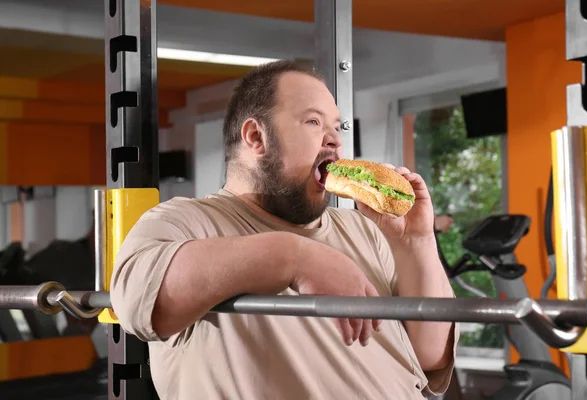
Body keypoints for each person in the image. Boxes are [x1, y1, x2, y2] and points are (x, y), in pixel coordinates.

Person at [110, 60, 459, 400]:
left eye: (338, 127)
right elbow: (135, 301)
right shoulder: (185, 221)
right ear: (256, 137)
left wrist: (417, 241)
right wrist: (294, 257)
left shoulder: (365, 229)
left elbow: (430, 357)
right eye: (313, 121)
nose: (335, 140)